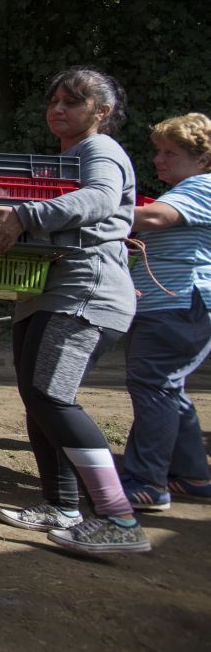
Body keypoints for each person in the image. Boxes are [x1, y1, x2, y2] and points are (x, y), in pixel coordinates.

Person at [0, 67, 150, 554]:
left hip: (85, 291)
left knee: (49, 394)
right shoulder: (68, 158)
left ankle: (119, 520)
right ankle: (62, 505)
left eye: (72, 102)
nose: (57, 109)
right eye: (53, 100)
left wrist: (26, 215)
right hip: (49, 292)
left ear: (101, 112)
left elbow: (100, 200)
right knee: (39, 398)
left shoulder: (99, 151)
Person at [119, 113, 211, 511]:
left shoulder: (202, 187)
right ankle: (192, 475)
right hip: (174, 305)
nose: (158, 160)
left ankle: (146, 482)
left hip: (180, 304)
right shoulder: (189, 187)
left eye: (170, 153)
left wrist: (96, 208)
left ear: (202, 159)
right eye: (158, 151)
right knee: (168, 387)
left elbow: (156, 218)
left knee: (153, 386)